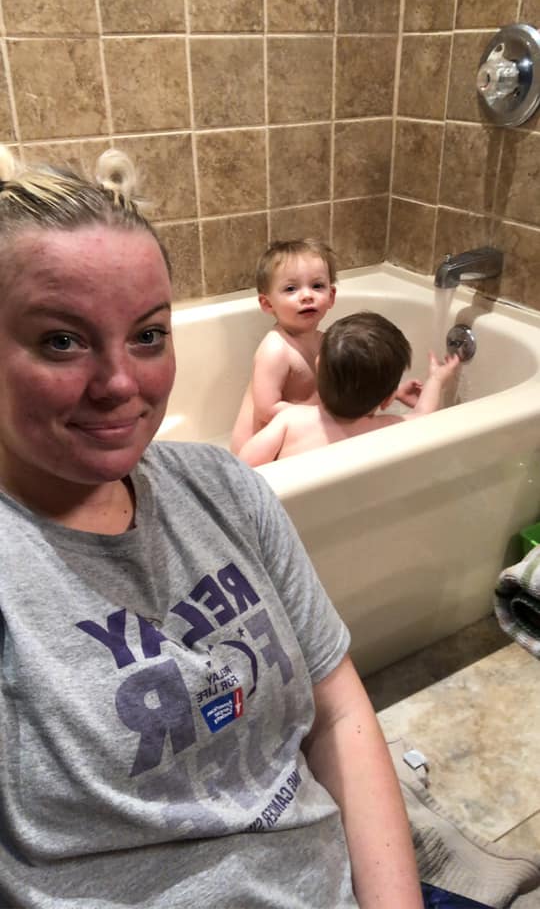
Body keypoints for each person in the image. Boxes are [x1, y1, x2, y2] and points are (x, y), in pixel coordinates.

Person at [0, 146, 423, 909]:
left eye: (149, 334)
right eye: (62, 339)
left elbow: (339, 709)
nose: (122, 383)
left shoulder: (226, 487)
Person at [230, 239, 422, 455]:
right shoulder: (275, 349)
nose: (307, 295)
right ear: (267, 304)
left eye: (317, 286)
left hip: (297, 437)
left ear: (331, 296)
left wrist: (388, 393)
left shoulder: (327, 340)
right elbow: (267, 410)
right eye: (291, 288)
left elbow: (344, 387)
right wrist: (322, 418)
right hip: (258, 448)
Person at [239, 312, 460, 467]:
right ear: (387, 400)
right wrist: (436, 380)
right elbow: (423, 415)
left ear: (318, 368)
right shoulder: (386, 427)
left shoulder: (290, 421)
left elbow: (244, 465)